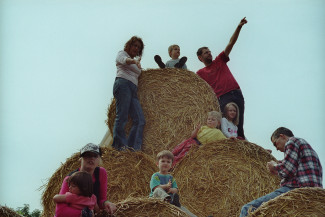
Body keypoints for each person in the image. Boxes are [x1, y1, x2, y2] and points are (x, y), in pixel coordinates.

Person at [239, 127, 323, 217]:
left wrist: (274, 166)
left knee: (248, 209)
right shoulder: (306, 147)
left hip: (296, 188)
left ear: (282, 136)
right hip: (315, 194)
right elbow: (292, 167)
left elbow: (288, 170)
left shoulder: (292, 141)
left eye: (275, 144)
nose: (277, 149)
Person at [196, 17, 247, 139]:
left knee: (239, 125)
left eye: (209, 51)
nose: (209, 53)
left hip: (236, 93)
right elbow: (190, 85)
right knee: (226, 123)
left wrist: (239, 27)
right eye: (206, 52)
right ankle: (230, 144)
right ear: (200, 58)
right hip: (223, 97)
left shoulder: (220, 60)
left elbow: (231, 43)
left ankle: (242, 146)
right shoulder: (200, 73)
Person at [55, 143, 117, 217]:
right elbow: (60, 212)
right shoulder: (70, 179)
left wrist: (106, 203)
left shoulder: (101, 173)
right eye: (87, 155)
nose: (91, 158)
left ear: (99, 159)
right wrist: (86, 214)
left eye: (95, 156)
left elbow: (101, 200)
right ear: (80, 159)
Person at [112, 36, 145, 151]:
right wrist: (134, 61)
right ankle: (119, 147)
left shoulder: (136, 63)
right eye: (134, 45)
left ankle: (132, 149)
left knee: (140, 119)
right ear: (129, 45)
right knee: (122, 116)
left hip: (133, 89)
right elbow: (124, 60)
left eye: (138, 47)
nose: (136, 48)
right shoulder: (122, 54)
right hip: (123, 84)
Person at [149, 150, 197, 217]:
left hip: (171, 201)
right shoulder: (156, 175)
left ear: (171, 165)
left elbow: (176, 189)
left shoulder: (171, 177)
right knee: (158, 190)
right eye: (163, 161)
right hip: (156, 198)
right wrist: (166, 186)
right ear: (157, 164)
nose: (165, 163)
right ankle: (166, 199)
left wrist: (172, 190)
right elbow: (155, 187)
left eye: (168, 162)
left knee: (183, 209)